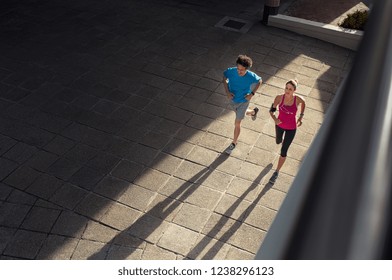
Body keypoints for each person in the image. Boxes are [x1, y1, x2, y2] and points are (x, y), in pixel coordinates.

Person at [223, 54, 262, 155]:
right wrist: (227, 91)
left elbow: (259, 81)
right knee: (240, 114)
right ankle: (253, 111)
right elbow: (224, 77)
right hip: (232, 100)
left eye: (242, 70)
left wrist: (252, 94)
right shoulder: (231, 71)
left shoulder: (251, 76)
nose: (239, 71)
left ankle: (234, 143)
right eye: (238, 69)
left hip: (244, 101)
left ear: (247, 69)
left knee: (237, 123)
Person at [269, 79, 306, 183]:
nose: (287, 90)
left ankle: (276, 172)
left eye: (290, 89)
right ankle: (280, 140)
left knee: (284, 150)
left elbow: (304, 102)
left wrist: (301, 117)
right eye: (286, 88)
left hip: (291, 128)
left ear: (295, 90)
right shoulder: (279, 98)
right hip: (280, 125)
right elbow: (271, 110)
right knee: (278, 141)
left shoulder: (298, 99)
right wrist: (275, 119)